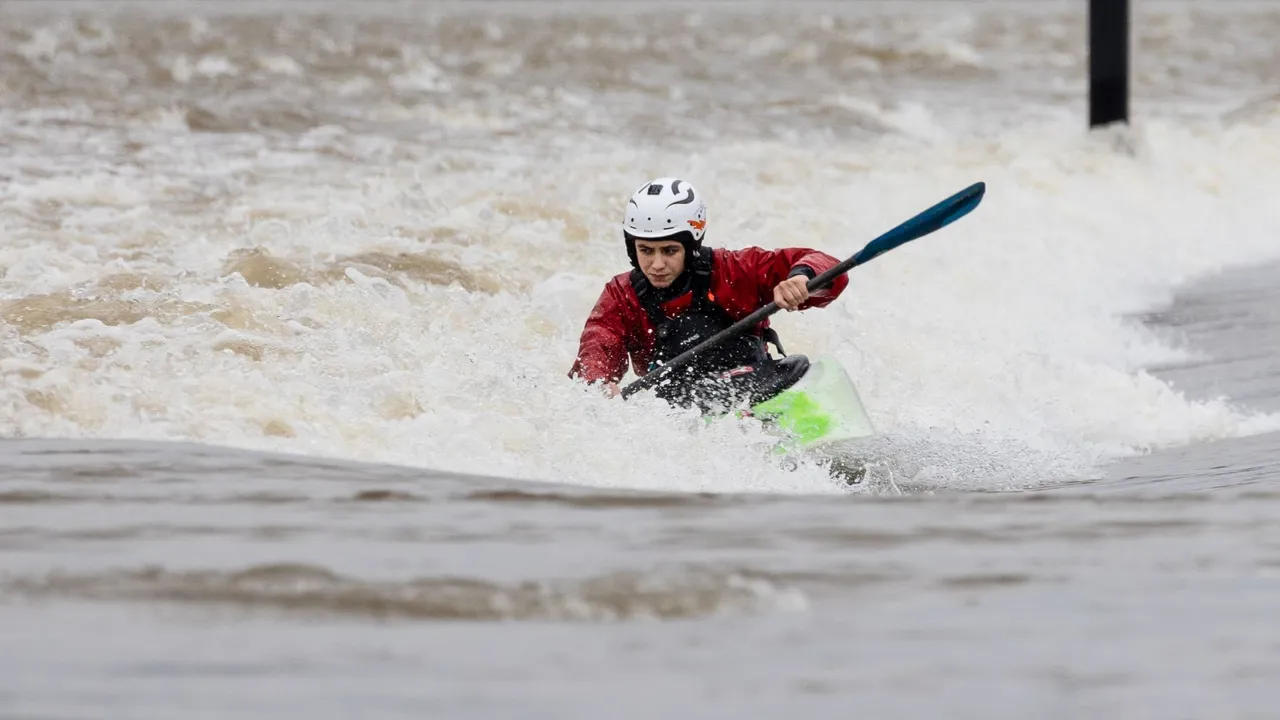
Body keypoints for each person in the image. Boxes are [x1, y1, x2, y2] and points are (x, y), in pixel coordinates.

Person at [568, 176, 850, 412]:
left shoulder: (734, 270)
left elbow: (828, 268)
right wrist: (598, 386)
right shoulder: (621, 296)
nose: (657, 264)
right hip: (681, 415)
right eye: (646, 250)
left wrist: (801, 277)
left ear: (691, 247)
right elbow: (596, 349)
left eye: (669, 250)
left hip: (760, 390)